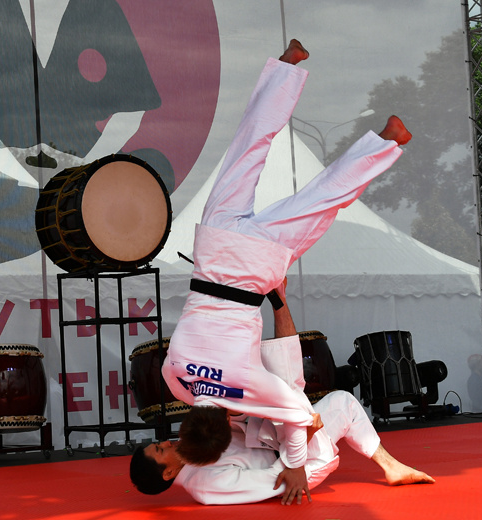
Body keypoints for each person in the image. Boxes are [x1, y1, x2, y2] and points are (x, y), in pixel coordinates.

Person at [161, 39, 412, 467]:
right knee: (248, 146)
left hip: (255, 267)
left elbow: (298, 410)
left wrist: (295, 467)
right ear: (186, 423)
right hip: (214, 249)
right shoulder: (176, 381)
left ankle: (388, 141)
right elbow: (202, 386)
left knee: (324, 197)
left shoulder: (244, 389)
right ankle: (286, 67)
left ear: (228, 427)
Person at [132, 280, 434, 506]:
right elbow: (275, 480)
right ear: (168, 473)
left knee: (340, 400)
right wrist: (301, 445)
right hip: (296, 469)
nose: (165, 442)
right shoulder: (206, 487)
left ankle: (391, 466)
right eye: (160, 450)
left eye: (158, 443)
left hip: (275, 433)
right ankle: (279, 301)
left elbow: (236, 427)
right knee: (289, 390)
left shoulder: (189, 428)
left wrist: (235, 413)